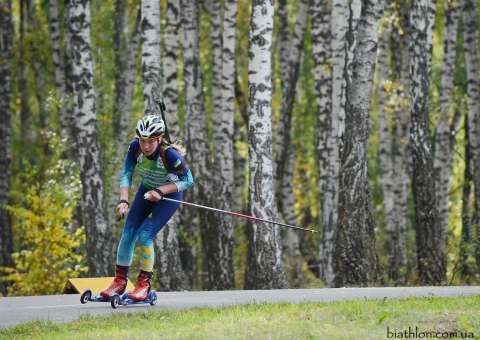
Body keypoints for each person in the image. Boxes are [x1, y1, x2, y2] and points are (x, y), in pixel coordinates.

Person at [100, 115, 194, 300]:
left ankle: (143, 284)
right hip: (146, 190)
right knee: (128, 234)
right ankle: (119, 281)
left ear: (159, 139)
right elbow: (126, 174)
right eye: (143, 140)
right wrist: (123, 200)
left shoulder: (171, 156)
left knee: (145, 235)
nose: (146, 146)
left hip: (169, 195)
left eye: (151, 141)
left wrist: (161, 190)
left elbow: (188, 181)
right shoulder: (135, 148)